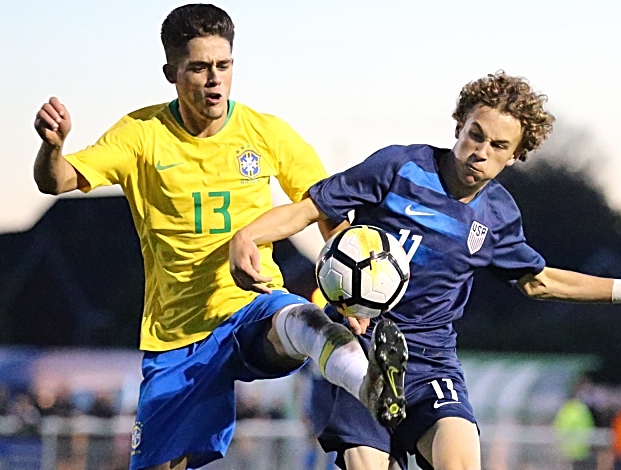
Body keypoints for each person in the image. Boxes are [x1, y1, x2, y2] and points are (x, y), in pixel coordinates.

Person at [230, 71, 621, 470]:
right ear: (459, 125)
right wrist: (249, 236)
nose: (481, 151)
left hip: (431, 360)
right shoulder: (399, 166)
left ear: (514, 155)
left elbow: (539, 280)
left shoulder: (498, 215)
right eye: (475, 134)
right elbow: (309, 209)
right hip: (359, 349)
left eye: (498, 145)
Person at [32, 5, 407, 470]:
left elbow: (324, 207)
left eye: (223, 66)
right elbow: (57, 181)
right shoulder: (140, 135)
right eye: (199, 68)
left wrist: (353, 291)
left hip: (250, 309)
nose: (214, 80)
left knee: (302, 320)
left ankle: (372, 384)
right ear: (172, 72)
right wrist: (53, 147)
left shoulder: (266, 133)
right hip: (177, 335)